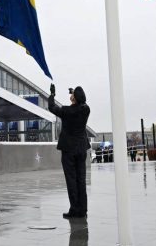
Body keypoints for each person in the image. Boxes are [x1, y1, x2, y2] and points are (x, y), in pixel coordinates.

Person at [48, 84, 90, 219]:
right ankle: (83, 209)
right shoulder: (86, 110)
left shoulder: (67, 111)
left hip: (69, 150)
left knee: (71, 179)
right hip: (81, 148)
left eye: (72, 96)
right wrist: (75, 95)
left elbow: (52, 107)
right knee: (81, 179)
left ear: (74, 98)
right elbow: (81, 103)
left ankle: (74, 209)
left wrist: (52, 95)